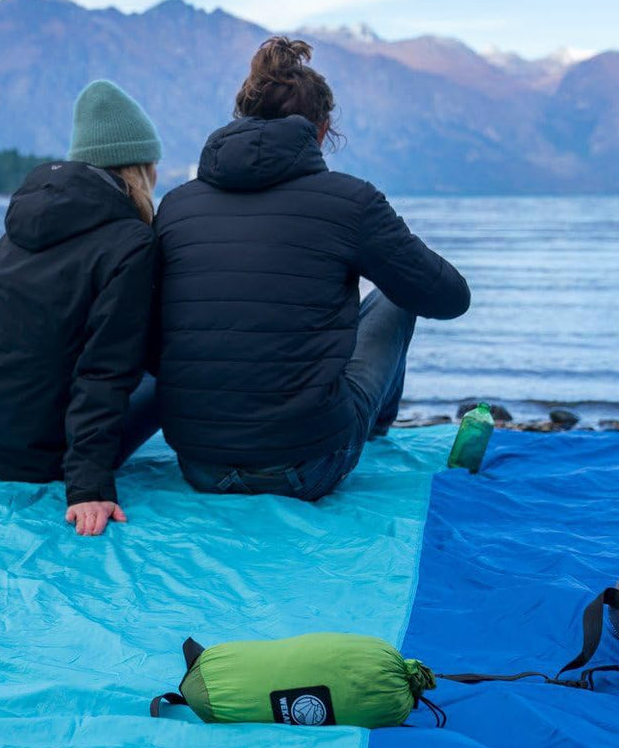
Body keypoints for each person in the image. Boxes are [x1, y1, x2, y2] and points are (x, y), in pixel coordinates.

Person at [152, 37, 470, 501]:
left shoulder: (177, 206)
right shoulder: (351, 201)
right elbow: (449, 297)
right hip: (305, 468)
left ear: (244, 119)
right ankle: (375, 430)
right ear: (322, 131)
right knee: (393, 298)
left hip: (198, 463)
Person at [0, 80, 162, 536]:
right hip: (39, 452)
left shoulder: (21, 225)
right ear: (142, 167)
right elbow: (105, 370)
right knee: (169, 367)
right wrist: (88, 487)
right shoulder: (130, 242)